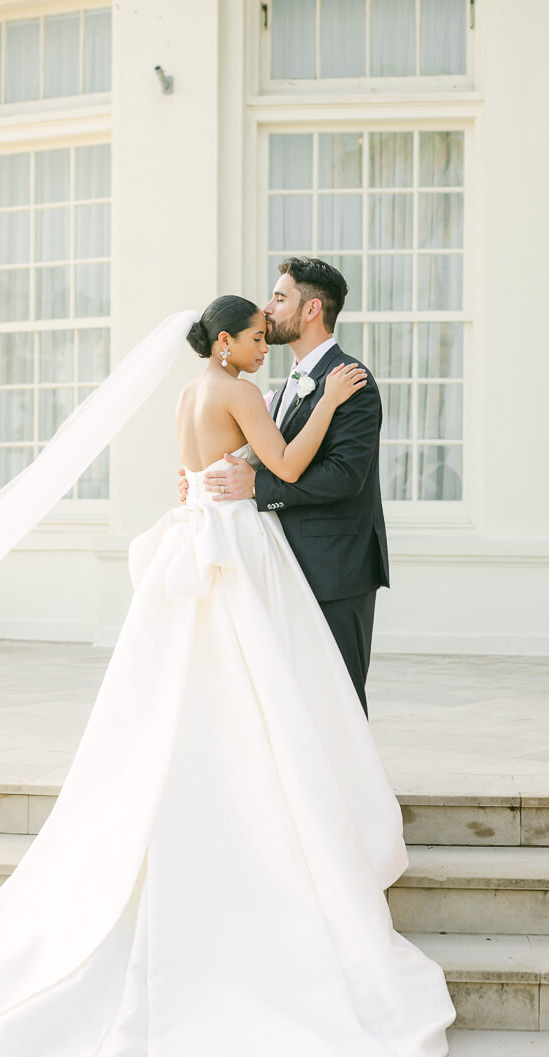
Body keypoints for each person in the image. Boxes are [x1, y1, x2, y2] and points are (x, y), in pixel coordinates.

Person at [0, 298, 465, 1057]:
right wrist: (335, 408)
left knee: (204, 694)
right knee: (259, 694)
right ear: (226, 341)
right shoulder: (234, 392)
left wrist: (233, 477)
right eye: (253, 337)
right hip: (234, 545)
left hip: (205, 534)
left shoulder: (191, 393)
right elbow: (283, 462)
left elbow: (197, 480)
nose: (263, 348)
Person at [179, 258, 387, 716]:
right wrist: (205, 479)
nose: (267, 310)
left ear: (311, 309)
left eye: (279, 297)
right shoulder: (281, 386)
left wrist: (256, 486)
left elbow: (345, 477)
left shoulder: (351, 382)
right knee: (291, 700)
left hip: (335, 566)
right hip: (279, 560)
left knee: (338, 701)